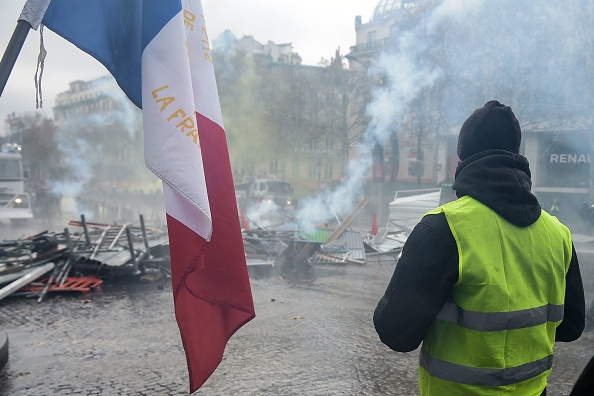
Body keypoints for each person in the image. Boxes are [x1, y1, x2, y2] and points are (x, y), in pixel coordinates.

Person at [373, 100, 585, 396]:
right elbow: (571, 327)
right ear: (517, 155)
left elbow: (396, 333)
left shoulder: (443, 228)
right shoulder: (558, 234)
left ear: (463, 158)